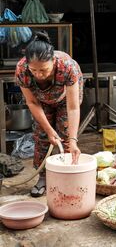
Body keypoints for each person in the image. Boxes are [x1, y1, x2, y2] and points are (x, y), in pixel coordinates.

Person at [15, 32, 83, 197]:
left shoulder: (68, 67)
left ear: (53, 61)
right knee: (42, 136)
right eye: (34, 70)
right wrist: (49, 130)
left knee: (66, 137)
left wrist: (74, 140)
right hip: (40, 101)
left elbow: (73, 108)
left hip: (65, 99)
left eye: (44, 70)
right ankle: (43, 177)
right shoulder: (22, 70)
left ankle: (68, 178)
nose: (38, 74)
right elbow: (32, 102)